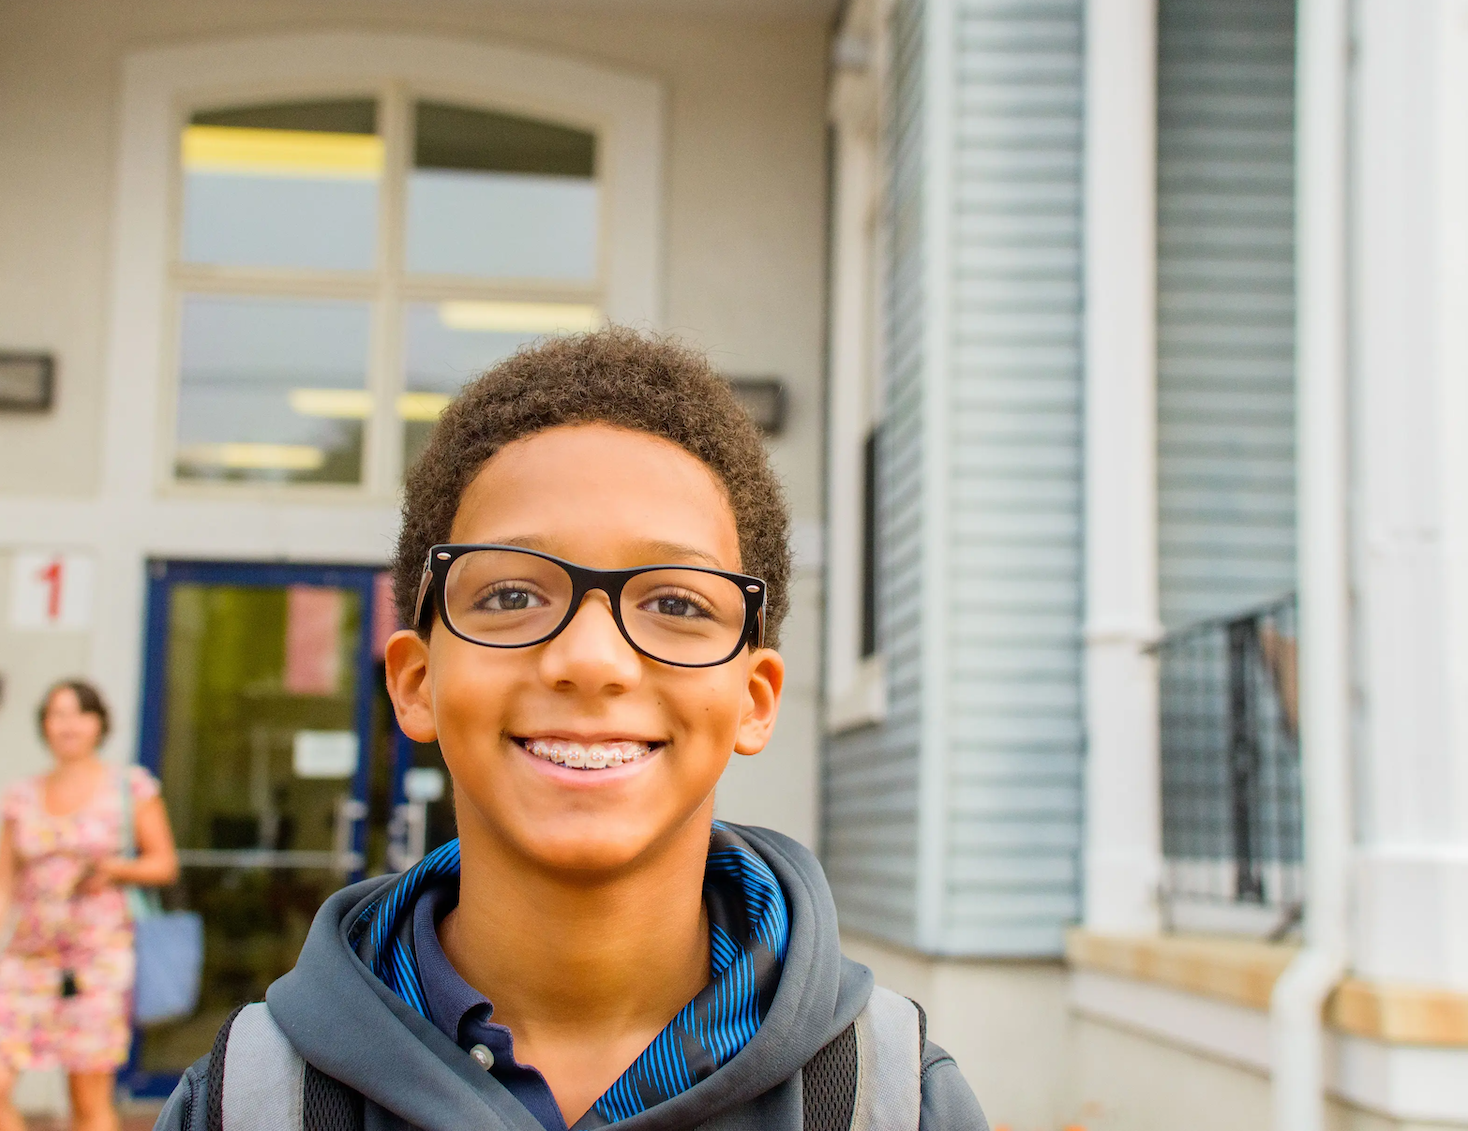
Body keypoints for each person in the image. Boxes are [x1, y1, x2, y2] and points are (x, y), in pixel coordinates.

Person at [155, 329, 989, 1131]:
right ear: (415, 684)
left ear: (755, 697)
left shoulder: (891, 1101)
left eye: (675, 603)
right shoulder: (251, 1103)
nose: (591, 659)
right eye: (512, 595)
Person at [0, 680, 179, 1131]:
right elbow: (0, 886)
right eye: (56, 715)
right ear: (44, 726)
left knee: (87, 1100)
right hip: (27, 960)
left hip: (97, 962)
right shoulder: (21, 797)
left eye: (78, 714)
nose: (67, 725)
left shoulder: (129, 787)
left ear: (99, 724)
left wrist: (115, 868)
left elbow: (163, 864)